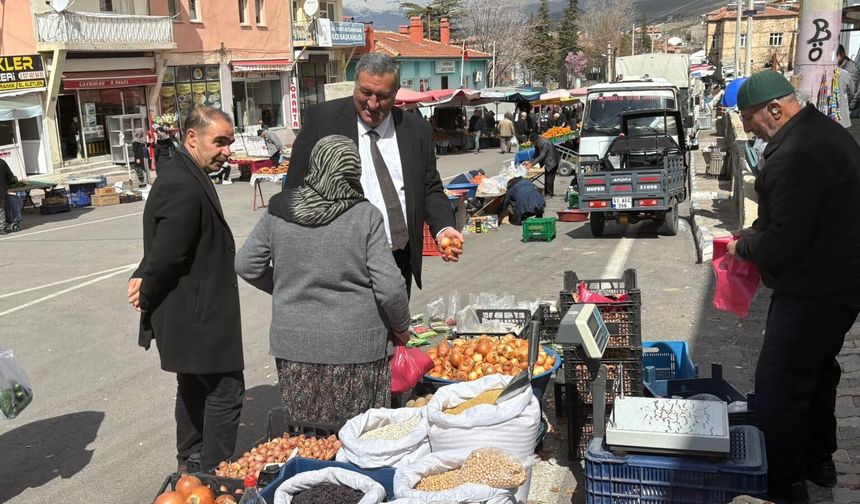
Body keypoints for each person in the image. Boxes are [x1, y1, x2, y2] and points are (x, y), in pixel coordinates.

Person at [727, 70, 860, 504]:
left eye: (749, 118)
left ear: (776, 109)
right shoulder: (827, 133)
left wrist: (745, 249)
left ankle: (784, 485)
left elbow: (785, 242)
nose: (747, 128)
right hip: (840, 282)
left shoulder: (796, 154)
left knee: (780, 384)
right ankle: (818, 458)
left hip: (814, 288)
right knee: (817, 371)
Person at [236, 135, 411, 423]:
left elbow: (246, 264)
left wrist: (285, 286)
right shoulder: (365, 215)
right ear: (353, 172)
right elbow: (390, 288)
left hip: (295, 346)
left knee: (308, 436)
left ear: (315, 166)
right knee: (359, 437)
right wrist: (401, 327)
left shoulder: (280, 209)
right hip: (358, 348)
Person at [285, 52, 463, 294]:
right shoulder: (322, 122)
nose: (372, 104)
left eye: (382, 97)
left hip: (397, 260)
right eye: (365, 93)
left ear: (396, 93)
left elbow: (430, 187)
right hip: (340, 265)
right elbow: (295, 190)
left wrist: (444, 228)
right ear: (355, 84)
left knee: (395, 330)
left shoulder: (416, 131)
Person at [127, 107, 245, 474]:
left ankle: (190, 465)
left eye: (229, 141)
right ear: (192, 138)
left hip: (194, 312)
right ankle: (212, 475)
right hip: (198, 316)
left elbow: (165, 244)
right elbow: (168, 251)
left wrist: (143, 273)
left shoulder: (185, 172)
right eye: (220, 141)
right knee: (226, 390)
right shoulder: (182, 181)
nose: (227, 150)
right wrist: (146, 288)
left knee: (193, 387)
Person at [524, 132, 559, 197]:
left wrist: (531, 164)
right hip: (548, 160)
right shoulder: (537, 143)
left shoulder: (544, 142)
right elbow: (536, 154)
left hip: (552, 160)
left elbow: (542, 155)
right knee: (547, 178)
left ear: (536, 140)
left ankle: (549, 194)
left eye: (532, 142)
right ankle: (547, 193)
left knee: (549, 178)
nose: (532, 144)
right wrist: (529, 162)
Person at [837, 45, 860, 118]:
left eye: (836, 55)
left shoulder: (851, 67)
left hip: (850, 106)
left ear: (842, 54)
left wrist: (840, 106)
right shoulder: (841, 65)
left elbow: (851, 92)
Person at [0, 158, 18, 234]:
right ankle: (1, 228)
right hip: (1, 190)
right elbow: (10, 176)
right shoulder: (2, 162)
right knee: (0, 209)